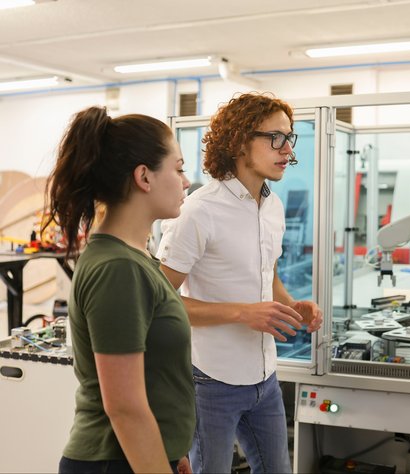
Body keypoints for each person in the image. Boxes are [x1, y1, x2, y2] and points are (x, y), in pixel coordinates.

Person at [157, 92, 323, 474]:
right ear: (239, 141)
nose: (287, 150)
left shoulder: (273, 206)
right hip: (210, 379)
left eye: (290, 137)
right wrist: (242, 313)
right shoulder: (198, 211)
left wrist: (292, 304)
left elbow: (269, 275)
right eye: (275, 138)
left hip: (265, 377)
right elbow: (160, 303)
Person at [45, 107, 194, 473]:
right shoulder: (118, 269)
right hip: (114, 462)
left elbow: (154, 377)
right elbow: (124, 407)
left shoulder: (135, 258)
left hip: (139, 457)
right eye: (178, 168)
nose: (186, 181)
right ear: (144, 176)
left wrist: (173, 453)